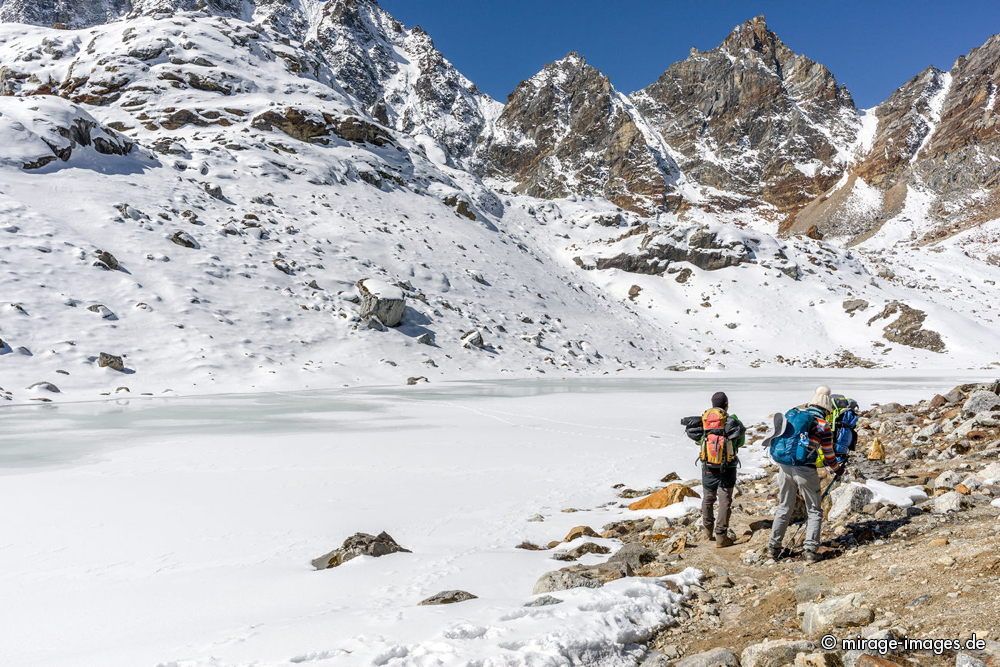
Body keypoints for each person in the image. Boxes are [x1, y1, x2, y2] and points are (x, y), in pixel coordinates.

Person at [765, 385, 841, 563]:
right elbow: (829, 454)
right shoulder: (823, 425)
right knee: (814, 509)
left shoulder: (795, 416)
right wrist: (838, 469)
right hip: (805, 470)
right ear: (827, 408)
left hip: (784, 467)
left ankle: (773, 548)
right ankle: (810, 550)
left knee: (784, 507)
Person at [681, 391, 746, 548]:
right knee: (725, 501)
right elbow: (741, 442)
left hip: (708, 467)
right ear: (726, 404)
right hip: (728, 467)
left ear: (712, 404)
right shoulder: (733, 421)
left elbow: (699, 441)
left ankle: (707, 530)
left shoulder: (705, 420)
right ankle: (721, 536)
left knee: (708, 498)